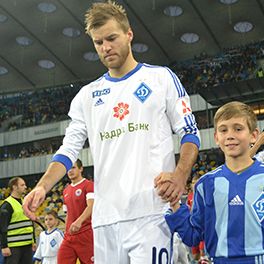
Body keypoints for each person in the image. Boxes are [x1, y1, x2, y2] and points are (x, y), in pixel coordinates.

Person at [22, 1, 200, 263]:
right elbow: (68, 150)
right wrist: (42, 186)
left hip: (150, 213)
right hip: (105, 220)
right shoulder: (87, 96)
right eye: (98, 42)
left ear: (129, 35)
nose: (105, 47)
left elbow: (190, 133)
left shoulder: (161, 79)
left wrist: (180, 176)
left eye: (111, 38)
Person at [157, 101, 264, 263]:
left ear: (254, 135)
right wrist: (174, 203)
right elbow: (193, 235)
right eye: (223, 130)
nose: (230, 135)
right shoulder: (206, 185)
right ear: (216, 137)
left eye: (238, 129)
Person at [57, 159, 94, 264]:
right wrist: (66, 230)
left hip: (85, 234)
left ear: (81, 169)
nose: (70, 171)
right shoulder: (66, 190)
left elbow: (91, 206)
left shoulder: (89, 185)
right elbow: (68, 213)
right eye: (68, 169)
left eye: (73, 168)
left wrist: (79, 221)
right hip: (69, 236)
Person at [0, 177, 36, 264]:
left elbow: (30, 223)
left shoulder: (25, 203)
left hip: (27, 245)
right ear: (15, 187)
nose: (25, 187)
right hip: (14, 247)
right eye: (22, 185)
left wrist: (33, 241)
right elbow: (2, 227)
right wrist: (4, 246)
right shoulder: (7, 205)